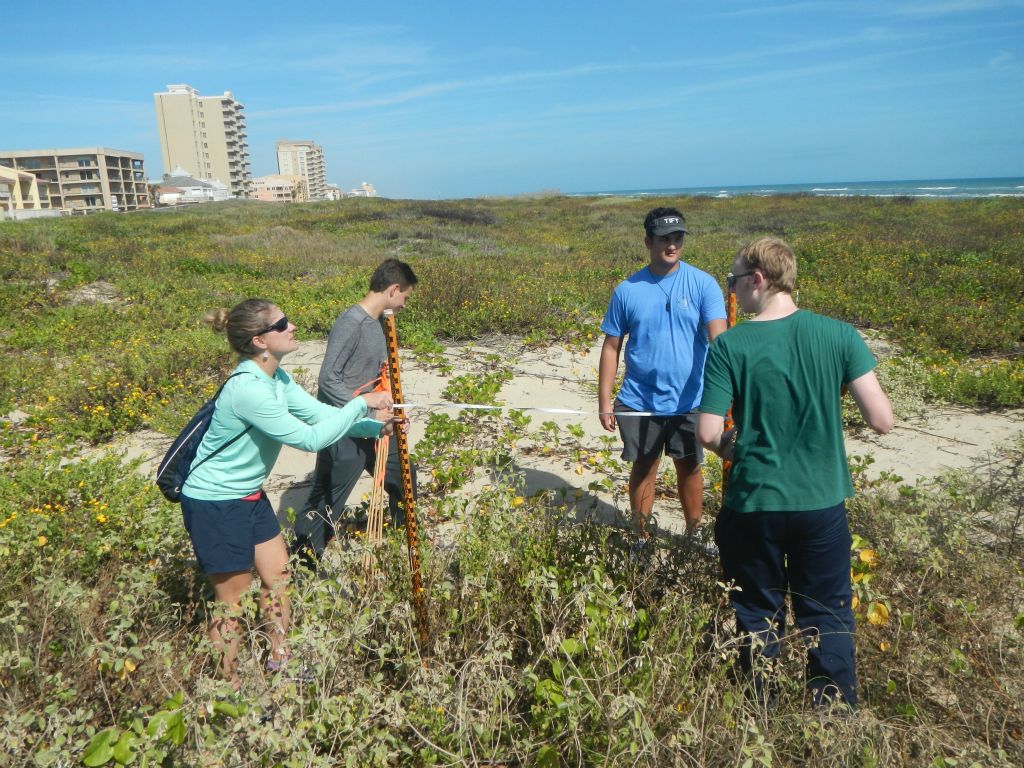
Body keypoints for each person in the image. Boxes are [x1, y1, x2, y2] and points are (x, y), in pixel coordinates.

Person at [698, 237, 893, 709]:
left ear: (759, 280)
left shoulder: (731, 345)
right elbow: (882, 420)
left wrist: (738, 444)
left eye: (734, 281)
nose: (733, 291)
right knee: (827, 614)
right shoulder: (840, 335)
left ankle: (758, 712)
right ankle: (832, 720)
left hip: (754, 504)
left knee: (756, 614)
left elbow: (707, 432)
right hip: (820, 502)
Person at [180, 298, 394, 688]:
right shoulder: (248, 389)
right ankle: (226, 689)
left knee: (278, 576)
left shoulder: (277, 378)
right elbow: (310, 438)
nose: (293, 326)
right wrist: (362, 403)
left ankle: (281, 661)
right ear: (260, 341)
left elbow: (318, 415)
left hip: (248, 494)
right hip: (215, 501)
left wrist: (372, 427)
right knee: (233, 601)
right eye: (282, 324)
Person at [598, 207, 727, 544]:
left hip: (691, 401)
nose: (672, 245)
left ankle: (694, 535)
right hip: (640, 400)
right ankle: (640, 537)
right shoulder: (627, 290)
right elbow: (611, 347)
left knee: (690, 467)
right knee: (644, 468)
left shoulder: (704, 284)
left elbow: (722, 342)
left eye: (677, 238)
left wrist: (728, 395)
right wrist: (604, 401)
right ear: (648, 241)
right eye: (664, 239)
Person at [294, 258, 418, 567]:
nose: (404, 305)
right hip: (344, 426)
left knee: (404, 476)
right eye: (405, 297)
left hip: (375, 425)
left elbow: (377, 377)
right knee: (327, 498)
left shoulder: (380, 323)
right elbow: (328, 379)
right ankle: (303, 564)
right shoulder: (351, 322)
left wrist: (391, 407)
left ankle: (404, 546)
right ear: (393, 290)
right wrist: (360, 410)